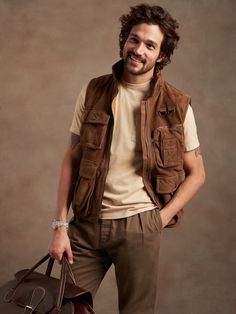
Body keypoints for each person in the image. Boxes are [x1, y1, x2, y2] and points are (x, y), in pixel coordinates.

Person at [49, 4, 205, 314]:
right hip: (87, 224)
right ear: (125, 40)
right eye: (134, 39)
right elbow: (72, 159)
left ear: (161, 55)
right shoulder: (94, 90)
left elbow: (197, 173)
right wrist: (60, 225)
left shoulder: (176, 105)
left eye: (150, 45)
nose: (138, 50)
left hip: (139, 225)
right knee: (62, 308)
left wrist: (158, 219)